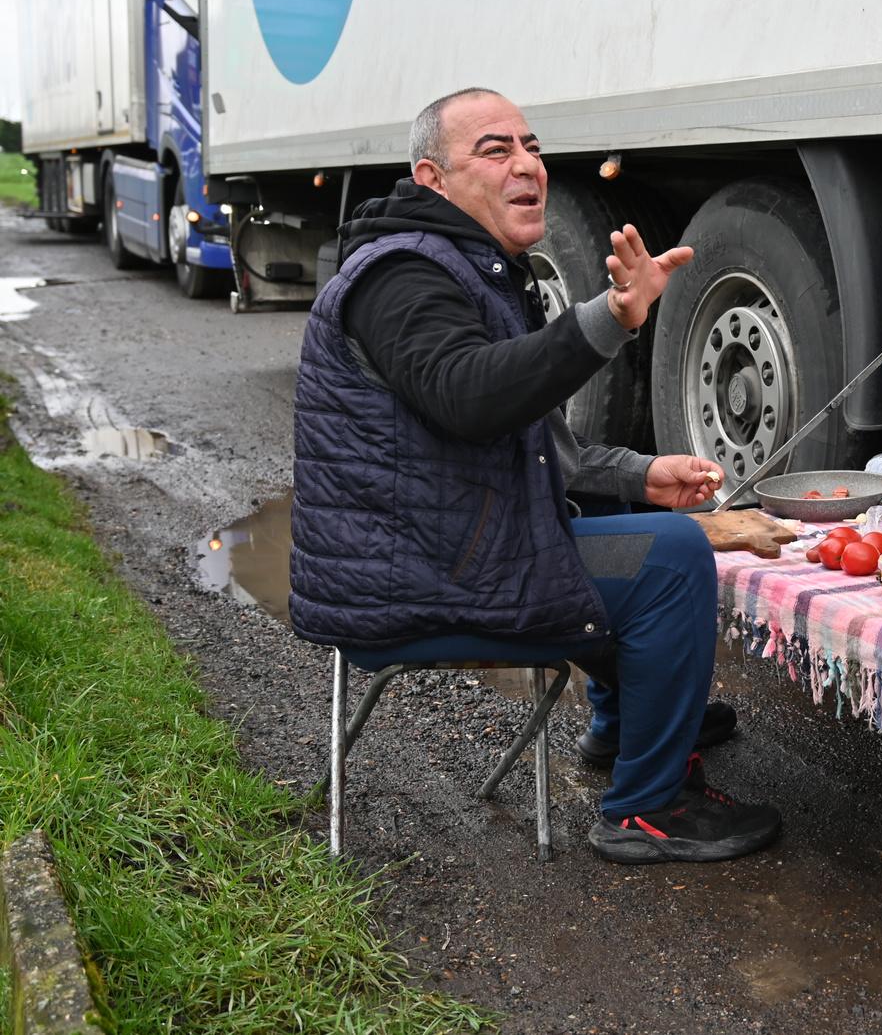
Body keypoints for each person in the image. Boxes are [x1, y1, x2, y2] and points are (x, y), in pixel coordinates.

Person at [289, 86, 781, 864]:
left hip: (449, 549)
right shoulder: (402, 279)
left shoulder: (465, 268)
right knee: (672, 558)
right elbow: (471, 398)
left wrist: (642, 475)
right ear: (432, 180)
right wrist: (610, 319)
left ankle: (632, 726)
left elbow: (539, 441)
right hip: (412, 578)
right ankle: (646, 809)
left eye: (532, 147)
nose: (528, 166)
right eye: (496, 150)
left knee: (632, 530)